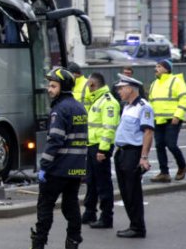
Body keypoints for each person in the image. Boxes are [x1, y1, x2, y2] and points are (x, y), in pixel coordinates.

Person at [30, 67, 88, 249]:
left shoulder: (59, 110)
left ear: (63, 88)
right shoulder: (80, 108)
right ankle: (73, 241)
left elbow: (55, 139)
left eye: (53, 86)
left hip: (57, 169)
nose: (49, 89)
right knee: (71, 207)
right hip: (75, 169)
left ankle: (39, 242)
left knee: (45, 206)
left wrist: (44, 166)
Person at [114, 74, 154, 238]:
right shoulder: (127, 106)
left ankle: (138, 228)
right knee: (125, 192)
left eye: (121, 88)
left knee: (133, 192)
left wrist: (143, 157)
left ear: (130, 89)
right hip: (122, 153)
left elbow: (148, 132)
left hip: (133, 153)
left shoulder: (144, 107)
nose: (119, 91)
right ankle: (133, 224)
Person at [81, 73, 120, 229]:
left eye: (87, 84)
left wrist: (102, 150)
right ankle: (90, 212)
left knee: (103, 183)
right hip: (92, 146)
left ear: (92, 85)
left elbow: (108, 128)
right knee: (91, 181)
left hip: (100, 147)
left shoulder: (108, 102)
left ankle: (106, 217)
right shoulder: (96, 99)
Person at [147, 59, 186, 182]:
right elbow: (151, 103)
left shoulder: (176, 81)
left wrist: (178, 115)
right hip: (158, 120)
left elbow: (184, 98)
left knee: (171, 144)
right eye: (156, 66)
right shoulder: (154, 84)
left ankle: (182, 166)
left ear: (167, 69)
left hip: (172, 119)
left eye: (159, 66)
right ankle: (164, 173)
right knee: (159, 145)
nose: (156, 69)